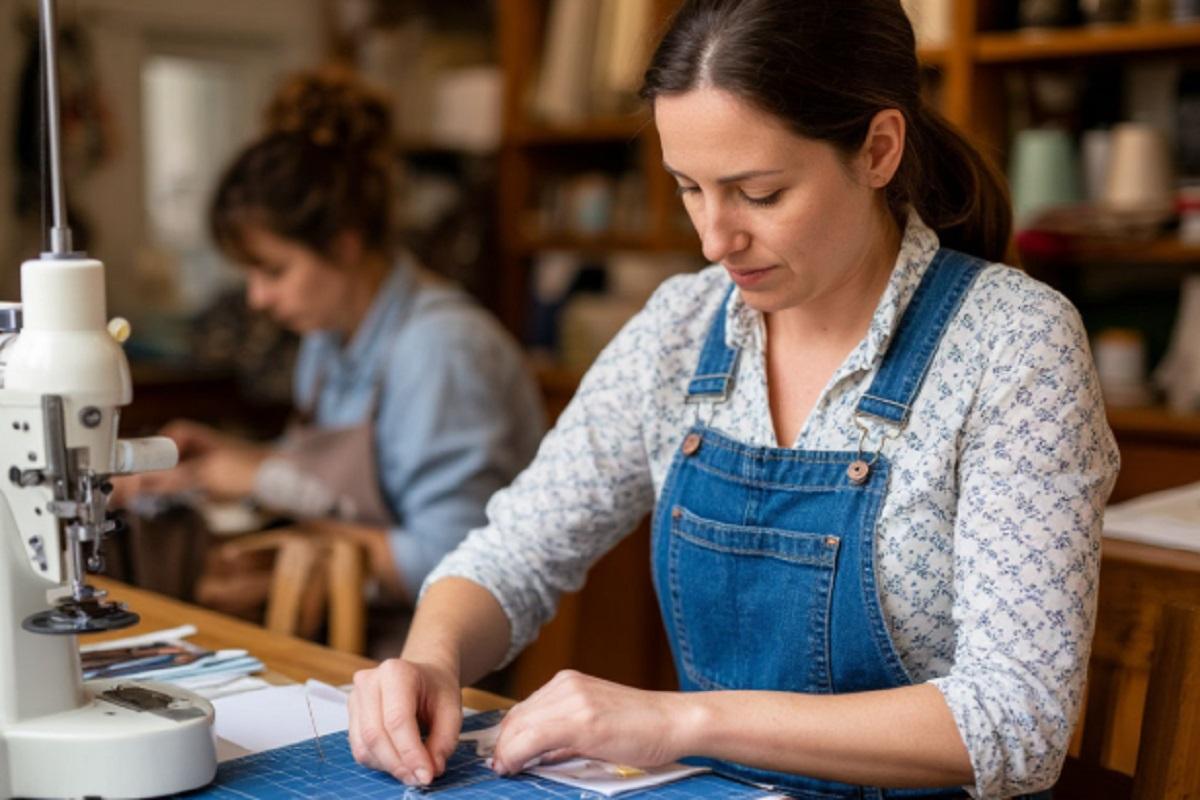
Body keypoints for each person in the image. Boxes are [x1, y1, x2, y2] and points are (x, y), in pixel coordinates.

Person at [346, 1, 1119, 797]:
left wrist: (679, 722)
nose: (715, 240)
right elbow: (512, 552)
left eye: (759, 193)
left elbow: (1018, 721)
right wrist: (430, 658)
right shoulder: (682, 327)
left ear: (879, 149)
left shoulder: (1013, 343)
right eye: (689, 188)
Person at [122, 68, 544, 612]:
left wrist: (260, 478)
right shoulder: (331, 338)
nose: (256, 299)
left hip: (441, 661)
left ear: (345, 246)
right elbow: (344, 485)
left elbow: (454, 566)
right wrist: (226, 460)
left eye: (273, 271)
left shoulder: (441, 351)